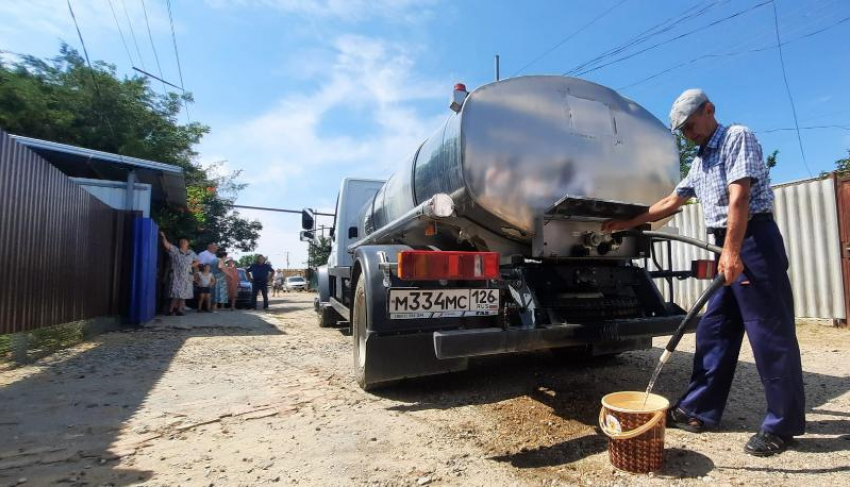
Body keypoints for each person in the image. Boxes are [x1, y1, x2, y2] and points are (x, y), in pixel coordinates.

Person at [602, 89, 805, 457]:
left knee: (768, 334)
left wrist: (731, 251)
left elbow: (739, 197)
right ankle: (699, 409)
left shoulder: (735, 138)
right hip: (726, 244)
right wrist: (626, 223)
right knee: (714, 330)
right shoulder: (700, 159)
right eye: (682, 130)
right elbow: (671, 201)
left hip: (752, 242)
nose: (688, 134)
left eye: (690, 126)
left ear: (709, 110)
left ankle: (783, 424)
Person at [160, 232, 199, 316]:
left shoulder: (191, 253)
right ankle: (170, 310)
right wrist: (163, 237)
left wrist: (190, 265)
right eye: (181, 242)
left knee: (183, 294)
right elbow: (167, 245)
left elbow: (198, 262)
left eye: (184, 242)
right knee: (175, 293)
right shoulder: (175, 250)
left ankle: (180, 310)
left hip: (187, 275)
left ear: (188, 243)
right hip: (176, 275)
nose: (183, 243)